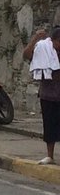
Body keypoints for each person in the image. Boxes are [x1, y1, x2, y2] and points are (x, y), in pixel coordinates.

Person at [24, 27, 60, 164]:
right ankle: (50, 156)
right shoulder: (44, 49)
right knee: (49, 126)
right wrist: (35, 39)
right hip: (48, 94)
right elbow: (26, 55)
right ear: (54, 41)